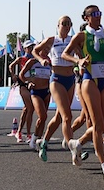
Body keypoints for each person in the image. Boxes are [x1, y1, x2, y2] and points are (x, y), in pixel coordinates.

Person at [62, 5, 104, 182]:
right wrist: (78, 60)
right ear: (86, 18)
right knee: (97, 125)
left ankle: (78, 142)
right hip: (90, 80)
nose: (98, 17)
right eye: (94, 14)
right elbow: (66, 54)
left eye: (100, 14)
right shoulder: (81, 36)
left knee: (103, 126)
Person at [33, 16, 78, 161]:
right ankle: (73, 151)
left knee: (59, 117)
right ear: (57, 25)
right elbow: (35, 50)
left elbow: (81, 54)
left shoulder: (73, 39)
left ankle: (44, 142)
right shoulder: (52, 40)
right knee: (67, 116)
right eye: (63, 24)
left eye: (68, 24)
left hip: (70, 79)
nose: (66, 26)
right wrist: (41, 59)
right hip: (57, 79)